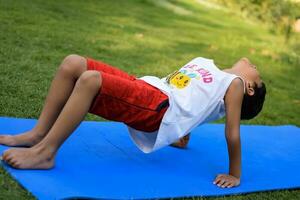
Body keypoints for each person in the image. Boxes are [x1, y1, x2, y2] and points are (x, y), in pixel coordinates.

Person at [0, 55, 266, 189]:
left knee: (91, 80)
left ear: (250, 89)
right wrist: (182, 133)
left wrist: (235, 174)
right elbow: (197, 102)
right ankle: (37, 134)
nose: (253, 65)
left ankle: (46, 153)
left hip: (157, 107)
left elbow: (232, 133)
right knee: (73, 63)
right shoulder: (212, 68)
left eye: (257, 73)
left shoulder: (235, 84)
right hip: (147, 87)